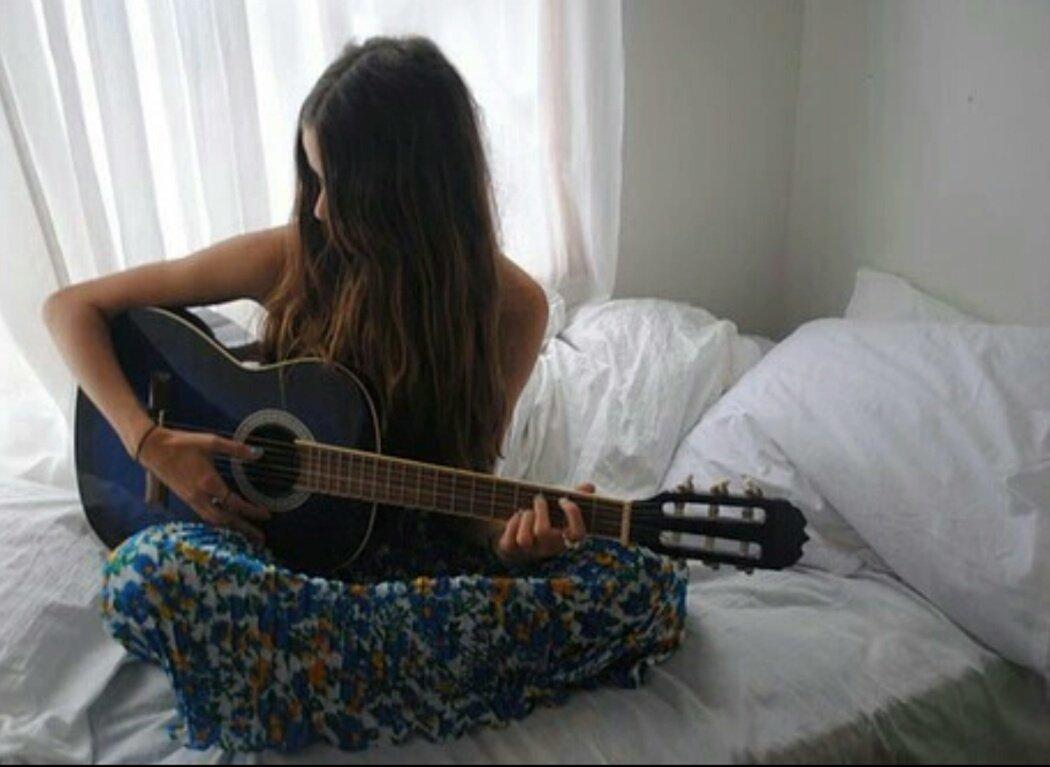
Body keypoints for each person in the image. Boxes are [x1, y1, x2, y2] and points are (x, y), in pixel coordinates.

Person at [43, 36, 687, 753]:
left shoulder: (511, 307)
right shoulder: (294, 255)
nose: (317, 208)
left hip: (394, 560)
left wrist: (513, 546)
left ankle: (301, 662)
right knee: (146, 572)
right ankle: (360, 659)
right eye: (312, 180)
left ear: (401, 191)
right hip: (267, 547)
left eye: (333, 185)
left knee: (640, 586)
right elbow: (70, 308)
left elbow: (468, 498)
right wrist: (149, 441)